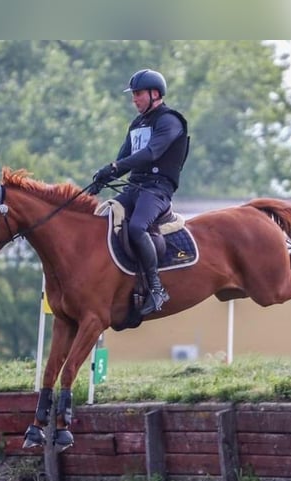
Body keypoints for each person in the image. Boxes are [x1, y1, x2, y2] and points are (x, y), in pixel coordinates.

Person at [91, 68, 190, 316]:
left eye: (138, 94)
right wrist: (104, 177)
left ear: (155, 94)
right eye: (133, 95)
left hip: (157, 190)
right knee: (101, 218)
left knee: (137, 228)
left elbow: (151, 153)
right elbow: (125, 157)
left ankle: (157, 289)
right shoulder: (137, 123)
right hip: (135, 187)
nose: (134, 99)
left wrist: (115, 167)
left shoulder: (169, 121)